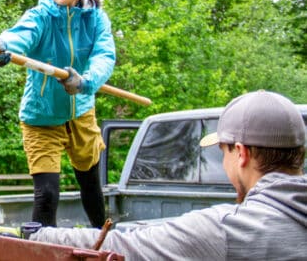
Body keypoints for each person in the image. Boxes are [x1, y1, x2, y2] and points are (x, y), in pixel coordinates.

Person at [22, 90, 307, 259]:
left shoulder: (228, 231)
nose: (224, 161)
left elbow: (123, 247)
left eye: (223, 151)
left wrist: (36, 235)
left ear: (241, 153)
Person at [0, 0, 115, 228]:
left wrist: (86, 81)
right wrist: (3, 47)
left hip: (81, 113)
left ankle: (105, 243)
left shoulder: (96, 19)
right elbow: (22, 33)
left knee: (91, 187)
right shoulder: (42, 15)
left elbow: (104, 56)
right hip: (41, 117)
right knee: (47, 195)